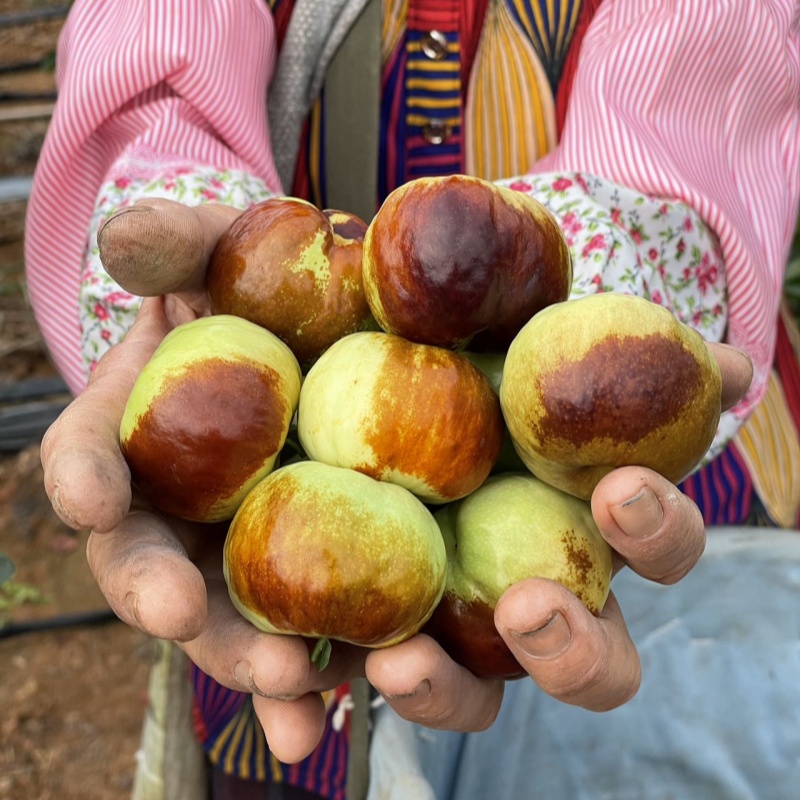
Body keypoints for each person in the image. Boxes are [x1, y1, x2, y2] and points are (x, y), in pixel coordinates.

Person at [24, 1, 800, 799]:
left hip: (624, 465)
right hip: (297, 469)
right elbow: (156, 54)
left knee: (655, 744)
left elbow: (692, 79)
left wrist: (583, 325)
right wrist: (199, 259)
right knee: (291, 707)